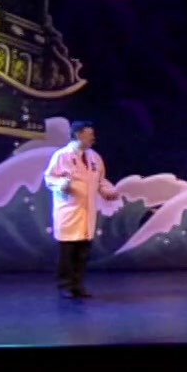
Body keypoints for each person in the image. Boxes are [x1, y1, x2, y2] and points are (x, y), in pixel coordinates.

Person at [45, 120, 119, 299]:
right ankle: (65, 286)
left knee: (83, 253)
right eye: (89, 134)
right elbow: (49, 177)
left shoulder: (94, 157)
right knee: (68, 252)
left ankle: (78, 285)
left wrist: (107, 191)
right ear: (78, 134)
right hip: (69, 209)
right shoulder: (62, 155)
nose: (93, 137)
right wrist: (61, 184)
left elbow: (100, 180)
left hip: (88, 211)